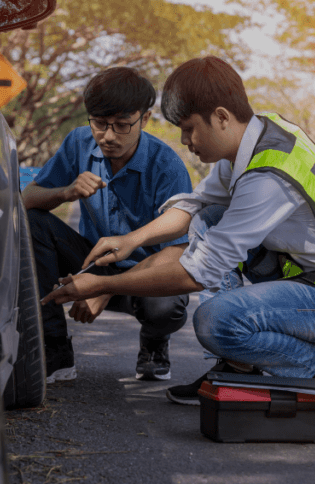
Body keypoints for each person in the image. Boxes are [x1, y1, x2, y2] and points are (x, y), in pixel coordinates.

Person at [40, 56, 315, 405]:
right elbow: (193, 206)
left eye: (189, 128)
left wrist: (102, 284)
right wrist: (131, 240)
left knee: (215, 322)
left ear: (221, 117)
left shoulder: (267, 176)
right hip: (309, 279)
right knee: (209, 216)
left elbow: (198, 274)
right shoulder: (257, 134)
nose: (184, 140)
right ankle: (237, 367)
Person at [23, 66, 194, 383]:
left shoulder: (167, 165)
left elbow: (180, 251)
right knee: (33, 223)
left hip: (148, 276)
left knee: (166, 308)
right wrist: (66, 191)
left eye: (121, 125)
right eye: (100, 124)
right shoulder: (79, 142)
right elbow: (27, 198)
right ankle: (54, 349)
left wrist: (104, 288)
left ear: (144, 119)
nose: (108, 136)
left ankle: (155, 343)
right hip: (93, 262)